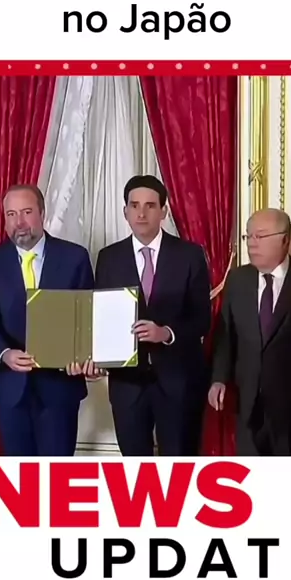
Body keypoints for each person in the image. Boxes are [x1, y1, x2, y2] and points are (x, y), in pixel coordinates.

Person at [93, 175, 211, 456]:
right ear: (125, 212)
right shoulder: (108, 257)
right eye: (134, 206)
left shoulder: (190, 255)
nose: (141, 213)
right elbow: (100, 317)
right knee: (135, 469)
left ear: (163, 211)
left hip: (179, 381)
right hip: (127, 386)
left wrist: (166, 333)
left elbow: (202, 319)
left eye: (149, 206)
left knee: (180, 466)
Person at [0, 184, 94, 456]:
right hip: (9, 387)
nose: (19, 222)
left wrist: (81, 356)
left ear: (42, 213)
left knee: (56, 474)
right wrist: (4, 353)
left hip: (60, 388)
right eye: (11, 214)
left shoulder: (75, 257)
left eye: (27, 212)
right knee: (19, 475)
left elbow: (88, 318)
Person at [209, 208, 291, 456]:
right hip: (247, 403)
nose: (252, 243)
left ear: (285, 239)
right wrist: (218, 379)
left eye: (260, 236)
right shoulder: (237, 279)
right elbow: (226, 336)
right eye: (248, 236)